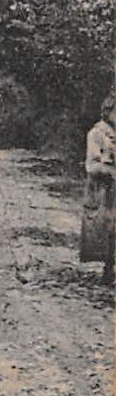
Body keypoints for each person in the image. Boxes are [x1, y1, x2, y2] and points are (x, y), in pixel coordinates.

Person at [81, 91, 116, 285]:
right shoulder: (96, 134)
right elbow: (91, 165)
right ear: (108, 111)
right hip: (105, 189)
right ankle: (109, 269)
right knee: (109, 229)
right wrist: (107, 170)